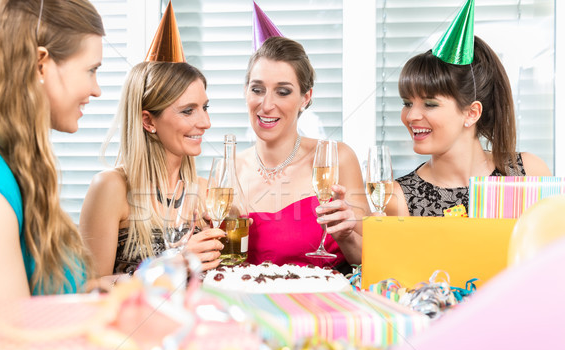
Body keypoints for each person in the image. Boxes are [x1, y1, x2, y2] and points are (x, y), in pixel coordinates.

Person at [0, 0, 104, 300]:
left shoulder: (11, 162)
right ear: (41, 64)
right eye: (91, 70)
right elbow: (4, 343)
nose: (97, 89)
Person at [79, 62, 226, 277]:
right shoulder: (112, 187)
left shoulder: (207, 190)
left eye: (205, 107)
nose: (206, 122)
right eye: (188, 111)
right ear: (148, 121)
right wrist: (171, 266)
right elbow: (91, 290)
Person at [236, 36, 366, 271]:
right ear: (246, 91)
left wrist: (346, 235)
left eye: (283, 92)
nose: (266, 105)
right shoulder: (229, 171)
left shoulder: (336, 159)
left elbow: (369, 260)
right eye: (257, 89)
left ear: (305, 98)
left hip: (323, 304)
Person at [385, 35, 551, 217]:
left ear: (472, 113)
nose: (411, 116)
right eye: (407, 103)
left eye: (430, 104)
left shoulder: (527, 172)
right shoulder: (397, 199)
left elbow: (554, 241)